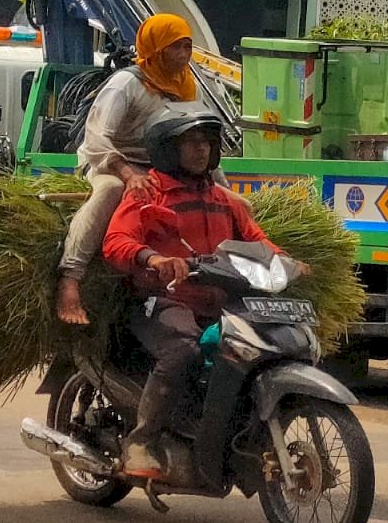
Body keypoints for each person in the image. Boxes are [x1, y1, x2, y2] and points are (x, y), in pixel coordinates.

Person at [101, 111, 302, 481]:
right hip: (162, 300)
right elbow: (116, 242)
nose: (201, 150)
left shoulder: (223, 200)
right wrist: (155, 258)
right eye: (191, 142)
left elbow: (254, 239)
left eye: (207, 143)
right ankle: (141, 440)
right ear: (168, 149)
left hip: (217, 301)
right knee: (183, 347)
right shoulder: (149, 191)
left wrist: (285, 261)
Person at [55, 13, 201, 325]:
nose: (184, 55)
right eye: (177, 47)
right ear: (156, 49)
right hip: (108, 160)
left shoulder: (187, 87)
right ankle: (70, 278)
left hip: (159, 166)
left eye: (188, 47)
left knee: (217, 190)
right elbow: (95, 137)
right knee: (111, 190)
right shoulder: (126, 84)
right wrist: (127, 173)